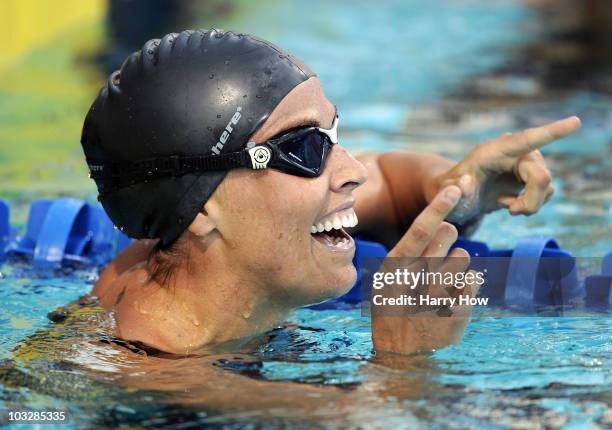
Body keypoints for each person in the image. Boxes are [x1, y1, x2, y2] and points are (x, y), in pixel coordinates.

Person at [81, 29, 580, 355]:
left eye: (333, 135)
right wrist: (403, 364)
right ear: (203, 205)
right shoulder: (161, 375)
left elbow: (390, 178)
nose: (353, 170)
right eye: (304, 146)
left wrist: (460, 186)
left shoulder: (209, 229)